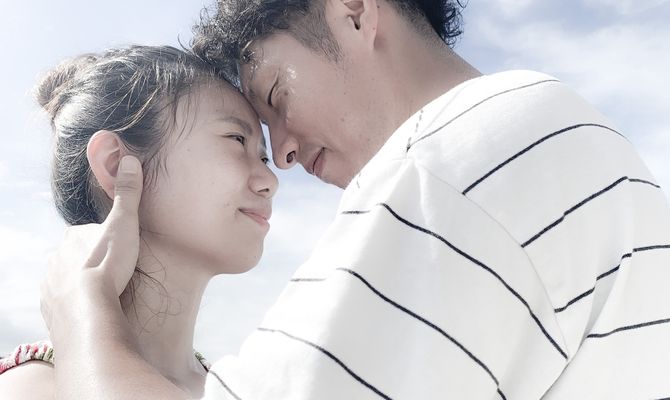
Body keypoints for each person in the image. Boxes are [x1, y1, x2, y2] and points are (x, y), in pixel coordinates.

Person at [40, 0, 670, 399]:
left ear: (355, 11)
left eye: (276, 98)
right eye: (244, 138)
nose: (282, 158)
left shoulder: (446, 167)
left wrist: (80, 312)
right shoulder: (561, 135)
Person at [0, 45, 277, 399]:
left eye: (264, 158)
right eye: (236, 139)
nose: (271, 181)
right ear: (116, 164)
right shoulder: (31, 388)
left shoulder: (240, 388)